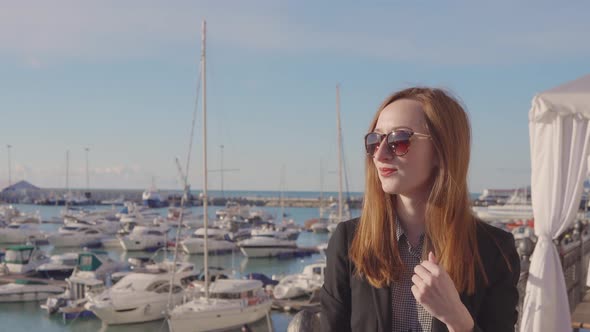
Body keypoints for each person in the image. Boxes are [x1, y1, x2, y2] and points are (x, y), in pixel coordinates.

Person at [320, 87, 520, 332]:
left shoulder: (494, 250)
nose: (380, 155)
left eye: (398, 140)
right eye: (374, 141)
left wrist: (458, 320)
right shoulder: (348, 241)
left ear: (442, 150)